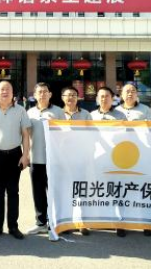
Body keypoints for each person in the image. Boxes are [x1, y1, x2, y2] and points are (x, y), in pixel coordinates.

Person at [0, 81, 31, 240]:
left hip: (15, 155)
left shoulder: (21, 110)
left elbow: (25, 134)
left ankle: (13, 226)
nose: (5, 92)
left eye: (8, 89)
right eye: (2, 89)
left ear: (12, 92)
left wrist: (25, 155)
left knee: (13, 191)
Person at [25, 83, 64, 237]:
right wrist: (26, 154)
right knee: (38, 192)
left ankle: (56, 222)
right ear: (34, 95)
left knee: (54, 192)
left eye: (45, 92)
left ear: (50, 94)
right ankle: (40, 223)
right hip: (35, 158)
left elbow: (65, 135)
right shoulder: (30, 113)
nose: (42, 94)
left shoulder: (58, 112)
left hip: (53, 160)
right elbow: (26, 135)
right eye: (39, 92)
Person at [90, 86, 127, 238]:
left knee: (117, 190)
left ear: (113, 99)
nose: (104, 99)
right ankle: (102, 220)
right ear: (97, 99)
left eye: (107, 96)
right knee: (99, 190)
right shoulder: (91, 116)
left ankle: (120, 222)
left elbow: (127, 136)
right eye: (101, 96)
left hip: (115, 159)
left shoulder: (120, 116)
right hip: (97, 158)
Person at [59, 86, 92, 236]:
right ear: (62, 98)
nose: (71, 98)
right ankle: (67, 222)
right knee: (66, 191)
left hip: (80, 158)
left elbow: (92, 135)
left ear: (78, 98)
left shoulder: (85, 114)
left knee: (81, 191)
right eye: (68, 95)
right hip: (62, 159)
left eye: (74, 95)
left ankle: (82, 222)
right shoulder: (58, 114)